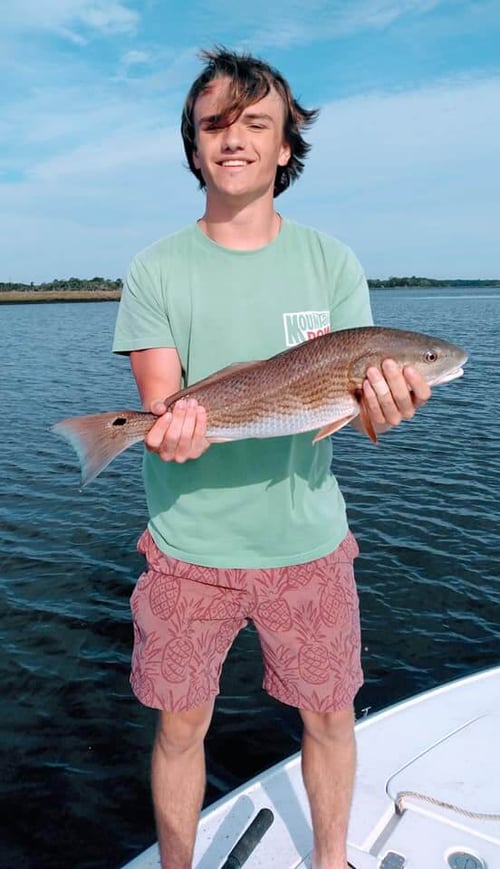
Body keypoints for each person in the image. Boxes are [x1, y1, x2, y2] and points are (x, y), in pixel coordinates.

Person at [113, 48, 431, 869]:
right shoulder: (154, 269)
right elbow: (164, 399)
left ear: (286, 145)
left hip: (308, 545)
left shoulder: (332, 263)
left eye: (256, 122)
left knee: (331, 715)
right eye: (214, 123)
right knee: (180, 725)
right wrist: (169, 428)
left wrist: (386, 407)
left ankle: (330, 860)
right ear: (193, 147)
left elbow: (356, 417)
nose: (234, 138)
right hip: (188, 548)